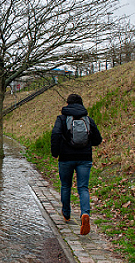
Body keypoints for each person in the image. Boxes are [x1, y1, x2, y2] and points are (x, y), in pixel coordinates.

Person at [51, 93, 102, 236]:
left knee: (66, 185)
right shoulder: (88, 120)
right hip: (85, 158)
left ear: (67, 104)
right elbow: (97, 139)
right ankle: (85, 214)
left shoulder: (61, 119)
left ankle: (66, 214)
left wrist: (55, 152)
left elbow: (55, 134)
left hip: (66, 158)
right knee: (83, 187)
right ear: (81, 104)